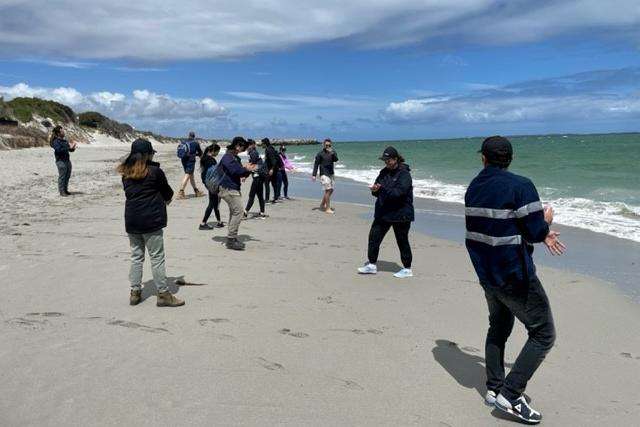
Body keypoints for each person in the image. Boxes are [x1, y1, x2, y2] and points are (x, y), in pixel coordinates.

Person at [464, 136, 565, 424]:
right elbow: (532, 230)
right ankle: (511, 392)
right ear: (510, 159)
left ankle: (494, 388)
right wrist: (545, 222)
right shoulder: (521, 185)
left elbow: (497, 225)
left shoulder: (473, 188)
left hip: (486, 272)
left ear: (483, 158)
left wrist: (540, 231)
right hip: (514, 276)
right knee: (544, 333)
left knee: (499, 325)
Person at [118, 138, 184, 307]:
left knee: (136, 257)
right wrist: (164, 200)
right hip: (151, 220)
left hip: (132, 220)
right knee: (157, 257)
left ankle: (135, 292)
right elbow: (168, 194)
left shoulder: (125, 172)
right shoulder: (155, 172)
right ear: (147, 155)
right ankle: (163, 294)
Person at [357, 147, 414, 278]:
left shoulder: (404, 174)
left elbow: (399, 193)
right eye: (385, 160)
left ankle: (407, 268)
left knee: (402, 241)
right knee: (373, 238)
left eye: (388, 160)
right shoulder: (383, 172)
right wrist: (375, 189)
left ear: (395, 159)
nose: (386, 162)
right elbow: (378, 191)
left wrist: (381, 189)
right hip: (383, 212)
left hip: (401, 213)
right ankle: (371, 265)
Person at [218, 137, 257, 250]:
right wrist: (247, 169)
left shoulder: (234, 157)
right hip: (227, 188)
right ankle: (231, 240)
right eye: (243, 148)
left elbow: (240, 172)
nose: (243, 150)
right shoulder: (227, 157)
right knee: (238, 211)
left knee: (234, 212)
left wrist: (247, 170)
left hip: (232, 188)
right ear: (237, 146)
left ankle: (232, 237)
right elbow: (236, 171)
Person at [199, 143, 224, 230]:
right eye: (217, 152)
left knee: (215, 202)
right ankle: (203, 223)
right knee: (212, 203)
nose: (217, 154)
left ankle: (219, 222)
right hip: (212, 184)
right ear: (213, 151)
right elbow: (215, 174)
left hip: (207, 183)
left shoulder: (204, 158)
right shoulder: (211, 160)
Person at [312, 138, 338, 213]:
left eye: (329, 145)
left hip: (331, 173)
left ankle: (322, 204)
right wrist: (314, 175)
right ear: (323, 145)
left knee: (331, 190)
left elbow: (336, 160)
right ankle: (327, 209)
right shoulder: (320, 153)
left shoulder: (333, 152)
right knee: (328, 190)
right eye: (326, 145)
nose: (328, 146)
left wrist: (332, 153)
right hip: (323, 174)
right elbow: (316, 164)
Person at [243, 139, 268, 219]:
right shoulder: (254, 153)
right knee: (260, 196)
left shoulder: (253, 153)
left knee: (252, 195)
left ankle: (245, 213)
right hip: (260, 177)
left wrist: (245, 175)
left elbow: (252, 166)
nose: (247, 147)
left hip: (258, 177)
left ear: (252, 145)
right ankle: (262, 213)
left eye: (248, 145)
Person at [50, 125, 77, 196]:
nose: (64, 132)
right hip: (60, 161)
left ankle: (65, 190)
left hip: (67, 160)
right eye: (62, 131)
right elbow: (58, 150)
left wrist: (73, 147)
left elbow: (70, 150)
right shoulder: (56, 141)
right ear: (58, 133)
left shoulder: (64, 140)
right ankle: (62, 192)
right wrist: (68, 148)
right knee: (62, 177)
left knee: (67, 176)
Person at [177, 131, 204, 199]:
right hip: (190, 161)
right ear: (194, 136)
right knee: (187, 175)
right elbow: (200, 153)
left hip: (183, 160)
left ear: (188, 136)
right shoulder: (195, 143)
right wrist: (202, 161)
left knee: (191, 175)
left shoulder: (184, 142)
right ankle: (181, 192)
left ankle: (196, 191)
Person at [262, 137, 282, 203]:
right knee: (274, 184)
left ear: (265, 143)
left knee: (267, 184)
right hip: (273, 169)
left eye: (263, 143)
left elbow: (273, 160)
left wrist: (271, 169)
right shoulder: (271, 148)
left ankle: (267, 199)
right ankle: (276, 198)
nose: (262, 145)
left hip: (270, 170)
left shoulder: (268, 150)